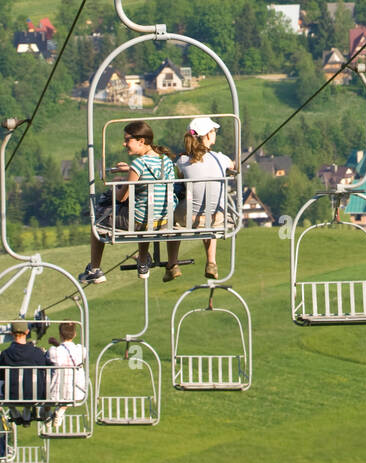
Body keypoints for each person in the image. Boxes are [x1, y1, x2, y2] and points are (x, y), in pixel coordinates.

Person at [80, 120, 181, 285]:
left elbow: (122, 197)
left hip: (140, 221)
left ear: (141, 141)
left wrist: (119, 184)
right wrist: (129, 173)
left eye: (128, 140)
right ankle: (142, 261)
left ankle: (95, 269)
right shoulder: (166, 162)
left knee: (96, 219)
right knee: (145, 209)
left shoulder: (138, 164)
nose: (124, 143)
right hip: (162, 219)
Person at [175, 116, 235, 281]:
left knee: (173, 213)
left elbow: (178, 179)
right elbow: (232, 165)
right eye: (214, 131)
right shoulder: (220, 158)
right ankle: (211, 261)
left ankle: (172, 264)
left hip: (189, 219)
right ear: (208, 135)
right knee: (210, 211)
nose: (215, 134)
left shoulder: (182, 160)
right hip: (217, 218)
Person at [0, 321, 51, 425]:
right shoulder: (37, 353)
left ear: (11, 333)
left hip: (11, 396)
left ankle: (13, 410)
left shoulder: (5, 355)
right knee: (30, 381)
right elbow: (46, 369)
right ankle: (27, 409)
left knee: (3, 383)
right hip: (35, 395)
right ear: (27, 332)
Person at [46, 321, 87, 430]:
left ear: (60, 335)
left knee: (51, 385)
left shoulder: (54, 352)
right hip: (76, 392)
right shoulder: (81, 350)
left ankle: (47, 414)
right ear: (74, 335)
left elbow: (52, 355)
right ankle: (61, 411)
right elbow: (71, 351)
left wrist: (56, 344)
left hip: (55, 392)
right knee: (69, 390)